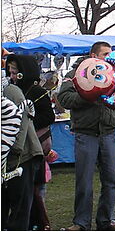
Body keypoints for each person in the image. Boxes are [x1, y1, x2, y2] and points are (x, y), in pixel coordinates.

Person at [57, 41, 115, 231]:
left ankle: (106, 220)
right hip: (86, 134)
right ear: (93, 55)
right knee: (84, 181)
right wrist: (88, 93)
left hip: (108, 134)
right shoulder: (76, 74)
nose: (109, 58)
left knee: (111, 180)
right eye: (104, 54)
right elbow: (64, 99)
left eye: (110, 54)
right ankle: (81, 222)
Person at [5, 54, 55, 230]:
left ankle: (38, 222)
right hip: (11, 148)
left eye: (15, 72)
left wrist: (27, 123)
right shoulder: (8, 91)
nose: (12, 76)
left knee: (32, 190)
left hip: (31, 148)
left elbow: (49, 116)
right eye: (10, 72)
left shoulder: (37, 92)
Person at [2, 67, 44, 231]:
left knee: (20, 207)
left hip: (21, 157)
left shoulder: (10, 91)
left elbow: (22, 121)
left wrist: (15, 150)